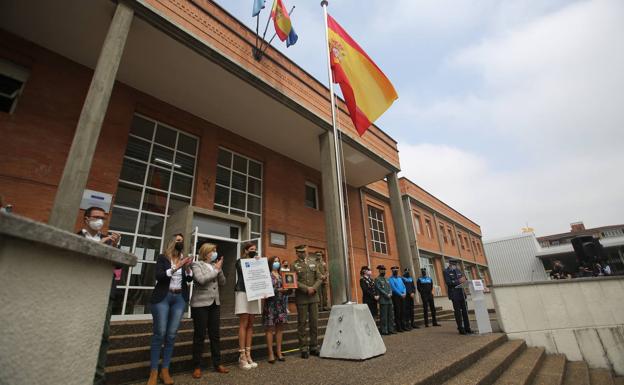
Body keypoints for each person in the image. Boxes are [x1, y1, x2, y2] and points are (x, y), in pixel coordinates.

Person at [76, 206, 120, 385]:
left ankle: (98, 377)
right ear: (86, 219)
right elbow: (77, 258)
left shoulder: (109, 241)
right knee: (79, 332)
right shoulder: (77, 237)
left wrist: (115, 248)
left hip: (105, 293)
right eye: (96, 217)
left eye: (102, 218)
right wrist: (100, 245)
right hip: (81, 292)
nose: (100, 221)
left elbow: (119, 266)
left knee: (104, 335)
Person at [147, 234, 193, 385]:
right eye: (178, 240)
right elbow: (159, 276)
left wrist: (187, 269)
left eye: (182, 240)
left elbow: (189, 280)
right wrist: (176, 267)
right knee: (159, 333)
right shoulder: (162, 258)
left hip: (179, 299)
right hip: (163, 297)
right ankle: (154, 371)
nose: (181, 243)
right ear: (172, 243)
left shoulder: (184, 259)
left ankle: (165, 370)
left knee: (172, 335)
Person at [190, 243, 229, 379]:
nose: (215, 253)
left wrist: (219, 269)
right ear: (206, 252)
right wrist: (215, 270)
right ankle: (196, 366)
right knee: (199, 336)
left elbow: (223, 282)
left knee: (215, 335)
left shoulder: (215, 266)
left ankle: (217, 363)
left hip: (215, 304)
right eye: (213, 251)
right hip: (200, 305)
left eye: (215, 251)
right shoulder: (196, 265)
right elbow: (201, 280)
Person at [235, 242, 262, 370]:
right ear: (245, 251)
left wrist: (258, 262)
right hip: (242, 292)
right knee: (244, 322)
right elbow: (243, 271)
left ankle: (248, 353)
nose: (254, 251)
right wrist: (253, 262)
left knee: (251, 323)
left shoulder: (256, 261)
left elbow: (261, 276)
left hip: (254, 292)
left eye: (255, 250)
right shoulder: (239, 261)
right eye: (251, 249)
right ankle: (241, 356)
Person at [293, 244, 323, 358]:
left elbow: (320, 278)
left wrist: (314, 288)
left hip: (314, 297)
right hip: (302, 298)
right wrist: (307, 289)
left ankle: (314, 346)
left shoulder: (314, 263)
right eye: (300, 252)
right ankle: (303, 348)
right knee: (302, 323)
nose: (303, 253)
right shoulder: (294, 265)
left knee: (314, 322)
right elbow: (293, 280)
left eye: (304, 251)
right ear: (297, 253)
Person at [263, 256, 290, 363]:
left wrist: (288, 290)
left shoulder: (282, 275)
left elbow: (288, 288)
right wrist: (278, 289)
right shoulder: (266, 275)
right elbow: (265, 289)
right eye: (275, 261)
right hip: (270, 304)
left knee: (280, 329)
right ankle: (270, 353)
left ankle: (278, 352)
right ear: (270, 263)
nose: (277, 263)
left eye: (278, 261)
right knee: (270, 329)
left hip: (281, 304)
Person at [444, 259, 472, 335]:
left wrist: (465, 280)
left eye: (455, 264)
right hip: (454, 294)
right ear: (449, 264)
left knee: (465, 311)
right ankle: (460, 328)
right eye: (453, 264)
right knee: (458, 312)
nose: (454, 266)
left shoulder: (459, 271)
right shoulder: (446, 272)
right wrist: (459, 281)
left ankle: (467, 328)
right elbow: (449, 283)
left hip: (462, 293)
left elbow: (464, 280)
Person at [374, 265, 394, 335]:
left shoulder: (387, 279)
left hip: (389, 300)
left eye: (384, 270)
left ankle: (390, 329)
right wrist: (386, 294)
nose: (383, 271)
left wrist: (391, 293)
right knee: (384, 317)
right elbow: (379, 288)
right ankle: (384, 330)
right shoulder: (377, 279)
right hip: (383, 300)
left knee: (390, 316)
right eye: (382, 270)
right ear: (379, 271)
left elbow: (390, 287)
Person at [388, 265, 408, 332]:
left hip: (403, 296)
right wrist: (400, 294)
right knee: (398, 312)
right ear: (392, 271)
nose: (396, 271)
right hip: (396, 297)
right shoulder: (390, 279)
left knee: (403, 311)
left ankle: (403, 326)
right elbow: (393, 288)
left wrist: (404, 293)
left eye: (396, 270)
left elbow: (404, 286)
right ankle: (398, 327)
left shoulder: (400, 278)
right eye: (394, 270)